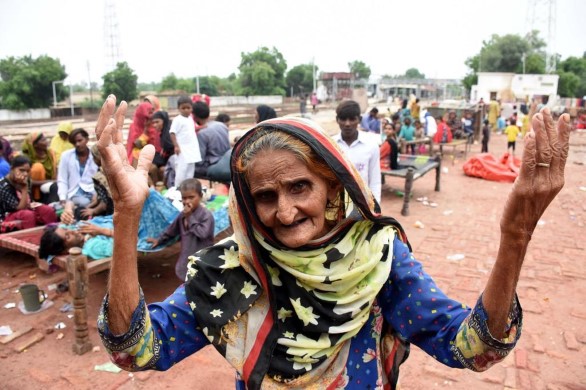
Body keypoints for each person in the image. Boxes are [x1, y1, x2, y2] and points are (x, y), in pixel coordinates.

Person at [94, 95, 571, 389]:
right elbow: (136, 351)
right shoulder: (233, 271)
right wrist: (126, 218)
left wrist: (516, 237)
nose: (284, 212)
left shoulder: (377, 259)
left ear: (332, 188)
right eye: (264, 196)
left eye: (299, 187)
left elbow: (471, 347)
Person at [39, 188, 179, 261]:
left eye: (67, 230)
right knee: (149, 194)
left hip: (129, 218)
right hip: (142, 231)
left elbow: (69, 203)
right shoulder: (93, 247)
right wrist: (102, 231)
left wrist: (68, 210)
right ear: (65, 250)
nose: (71, 231)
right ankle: (179, 223)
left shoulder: (77, 231)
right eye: (68, 236)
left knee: (141, 193)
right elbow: (129, 243)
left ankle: (179, 218)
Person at [146, 178, 214, 281]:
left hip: (203, 261)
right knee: (187, 284)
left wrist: (190, 217)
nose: (187, 201)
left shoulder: (206, 216)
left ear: (200, 196)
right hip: (186, 261)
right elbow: (172, 230)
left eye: (191, 197)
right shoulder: (183, 215)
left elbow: (203, 234)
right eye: (184, 198)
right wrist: (159, 240)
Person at [333, 100, 381, 203]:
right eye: (343, 119)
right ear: (337, 120)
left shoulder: (371, 145)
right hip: (336, 203)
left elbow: (375, 180)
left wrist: (376, 207)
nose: (347, 124)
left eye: (352, 119)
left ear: (359, 119)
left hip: (363, 203)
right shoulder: (330, 145)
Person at [0, 156, 58, 231]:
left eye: (27, 171)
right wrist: (24, 189)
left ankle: (53, 234)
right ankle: (29, 238)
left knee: (47, 210)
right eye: (21, 170)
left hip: (25, 208)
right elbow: (19, 209)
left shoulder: (26, 180)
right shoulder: (3, 186)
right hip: (6, 216)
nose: (25, 174)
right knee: (27, 215)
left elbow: (29, 202)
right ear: (12, 169)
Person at [57, 128, 98, 211]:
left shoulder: (95, 154)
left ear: (87, 139)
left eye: (80, 140)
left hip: (94, 191)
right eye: (74, 142)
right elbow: (62, 179)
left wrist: (97, 194)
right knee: (84, 203)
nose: (77, 144)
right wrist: (62, 198)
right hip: (75, 192)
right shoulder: (66, 156)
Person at [192, 101, 231, 178]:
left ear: (194, 117)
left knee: (189, 168)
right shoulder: (222, 125)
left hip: (214, 165)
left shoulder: (202, 133)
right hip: (227, 161)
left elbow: (200, 161)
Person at [170, 96, 201, 187]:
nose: (186, 110)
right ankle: (178, 189)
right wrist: (176, 146)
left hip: (191, 148)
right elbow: (172, 133)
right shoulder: (177, 120)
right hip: (182, 149)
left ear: (192, 108)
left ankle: (188, 188)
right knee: (181, 171)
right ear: (179, 108)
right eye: (183, 108)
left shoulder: (190, 118)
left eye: (188, 108)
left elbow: (192, 129)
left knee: (190, 171)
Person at [21, 131, 59, 203]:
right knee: (38, 167)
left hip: (52, 184)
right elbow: (27, 181)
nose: (46, 141)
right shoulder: (27, 158)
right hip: (35, 188)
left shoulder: (50, 153)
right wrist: (49, 181)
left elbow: (56, 170)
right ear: (35, 145)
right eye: (43, 140)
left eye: (45, 139)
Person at [150, 110, 175, 185]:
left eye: (157, 122)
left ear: (164, 121)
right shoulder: (163, 133)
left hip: (174, 161)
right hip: (168, 159)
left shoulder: (168, 134)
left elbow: (171, 152)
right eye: (153, 123)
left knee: (159, 169)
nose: (154, 125)